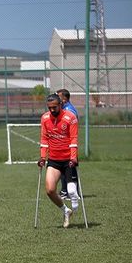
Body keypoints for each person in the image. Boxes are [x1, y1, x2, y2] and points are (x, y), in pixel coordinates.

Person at [38, 94, 80, 228]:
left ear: (60, 104)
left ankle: (74, 200)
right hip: (54, 160)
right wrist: (43, 157)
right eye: (49, 108)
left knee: (71, 190)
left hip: (68, 159)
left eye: (54, 107)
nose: (51, 110)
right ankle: (65, 211)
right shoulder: (44, 118)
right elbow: (44, 139)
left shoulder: (70, 118)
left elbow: (74, 139)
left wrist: (73, 157)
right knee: (50, 190)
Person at [56, 88, 79, 200]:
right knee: (63, 170)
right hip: (62, 145)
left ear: (64, 98)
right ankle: (65, 191)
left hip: (69, 146)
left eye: (58, 96)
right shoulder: (63, 109)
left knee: (70, 169)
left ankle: (73, 193)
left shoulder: (70, 110)